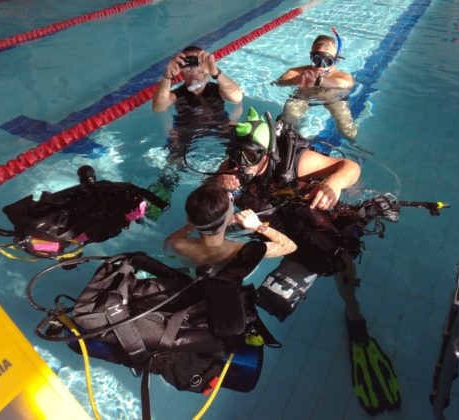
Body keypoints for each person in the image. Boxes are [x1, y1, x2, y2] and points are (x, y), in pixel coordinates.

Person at [212, 107, 401, 416]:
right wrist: (221, 182)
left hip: (310, 221)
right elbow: (213, 195)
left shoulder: (300, 163)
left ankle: (354, 314)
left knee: (337, 259)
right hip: (276, 223)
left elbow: (350, 167)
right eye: (235, 155)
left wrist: (334, 183)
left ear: (267, 153)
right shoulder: (236, 165)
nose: (240, 164)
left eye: (248, 156)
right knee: (263, 291)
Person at [148, 46, 243, 218]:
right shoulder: (177, 94)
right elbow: (158, 107)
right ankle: (156, 202)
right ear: (181, 73)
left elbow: (237, 97)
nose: (195, 74)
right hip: (187, 134)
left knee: (244, 151)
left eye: (199, 67)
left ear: (207, 68)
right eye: (188, 68)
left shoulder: (217, 89)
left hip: (220, 130)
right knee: (172, 166)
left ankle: (234, 196)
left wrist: (215, 72)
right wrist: (167, 76)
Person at [164, 183, 297, 270]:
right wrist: (258, 226)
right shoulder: (238, 250)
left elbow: (167, 244)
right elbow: (289, 246)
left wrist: (189, 226)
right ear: (230, 220)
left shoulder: (179, 245)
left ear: (189, 219)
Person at [275, 30, 358, 141]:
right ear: (311, 56)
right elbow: (279, 82)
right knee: (287, 122)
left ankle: (353, 142)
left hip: (333, 100)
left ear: (336, 60)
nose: (320, 66)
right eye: (317, 60)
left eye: (327, 61)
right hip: (302, 97)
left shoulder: (341, 75)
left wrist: (319, 80)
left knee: (345, 128)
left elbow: (348, 84)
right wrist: (298, 79)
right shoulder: (301, 71)